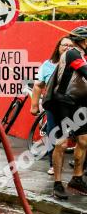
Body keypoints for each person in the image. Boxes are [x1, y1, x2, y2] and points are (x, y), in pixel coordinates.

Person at [41, 26, 87, 199]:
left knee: (83, 140)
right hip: (63, 103)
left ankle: (76, 178)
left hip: (79, 103)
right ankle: (58, 184)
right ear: (84, 41)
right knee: (61, 143)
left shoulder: (82, 55)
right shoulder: (72, 54)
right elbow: (84, 72)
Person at [31, 37, 73, 176]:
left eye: (71, 46)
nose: (67, 48)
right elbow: (38, 85)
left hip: (73, 106)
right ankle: (53, 165)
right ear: (58, 47)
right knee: (53, 135)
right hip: (54, 106)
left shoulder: (79, 64)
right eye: (64, 45)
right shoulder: (48, 65)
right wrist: (34, 106)